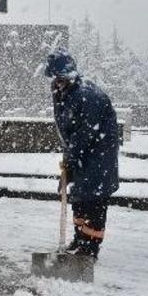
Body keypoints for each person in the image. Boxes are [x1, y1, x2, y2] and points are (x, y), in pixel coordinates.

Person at [45, 50, 119, 259]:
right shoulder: (64, 92)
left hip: (97, 158)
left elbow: (84, 134)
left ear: (71, 75)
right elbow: (68, 131)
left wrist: (69, 160)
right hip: (81, 156)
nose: (57, 83)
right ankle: (80, 239)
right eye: (55, 78)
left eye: (61, 78)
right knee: (78, 198)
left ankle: (90, 248)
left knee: (93, 201)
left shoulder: (88, 95)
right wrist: (69, 161)